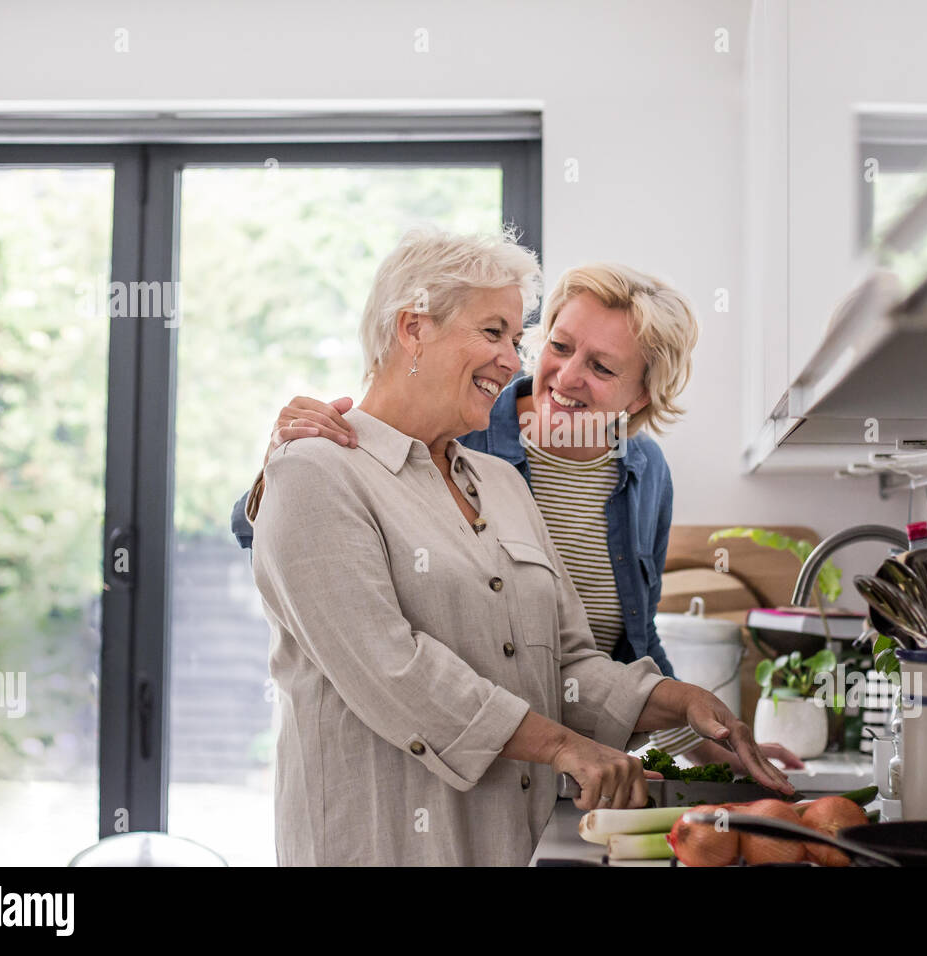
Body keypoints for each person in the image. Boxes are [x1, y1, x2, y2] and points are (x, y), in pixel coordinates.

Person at [247, 227, 794, 865]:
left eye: (515, 338)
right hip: (377, 839)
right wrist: (564, 746)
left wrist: (684, 703)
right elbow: (393, 667)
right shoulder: (317, 468)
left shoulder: (502, 486)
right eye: (494, 333)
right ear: (413, 329)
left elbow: (564, 664)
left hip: (508, 837)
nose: (517, 363)